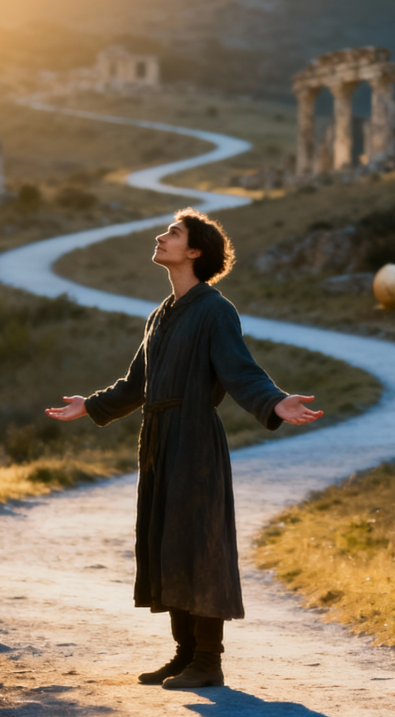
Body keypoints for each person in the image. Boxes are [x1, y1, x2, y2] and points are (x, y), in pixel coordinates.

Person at [46, 208, 322, 689]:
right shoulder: (160, 315)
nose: (161, 237)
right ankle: (183, 654)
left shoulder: (216, 310)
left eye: (172, 233)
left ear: (194, 251)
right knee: (165, 541)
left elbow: (241, 370)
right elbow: (136, 384)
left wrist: (276, 402)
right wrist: (89, 406)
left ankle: (208, 661)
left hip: (194, 437)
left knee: (198, 543)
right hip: (157, 438)